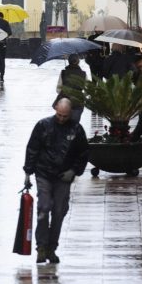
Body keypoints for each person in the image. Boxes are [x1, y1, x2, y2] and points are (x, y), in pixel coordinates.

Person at [23, 98, 89, 264]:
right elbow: (32, 148)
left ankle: (52, 247)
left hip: (63, 176)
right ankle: (41, 247)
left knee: (59, 211)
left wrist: (74, 170)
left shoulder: (76, 129)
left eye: (65, 116)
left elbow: (83, 153)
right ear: (55, 110)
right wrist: (28, 172)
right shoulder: (43, 125)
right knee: (44, 207)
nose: (61, 118)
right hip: (44, 172)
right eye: (59, 115)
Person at [54, 54, 87, 123]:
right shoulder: (83, 74)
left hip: (64, 103)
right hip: (78, 102)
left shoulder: (63, 73)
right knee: (74, 125)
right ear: (78, 62)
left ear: (69, 61)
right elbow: (87, 89)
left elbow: (58, 89)